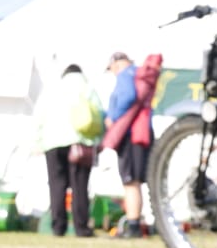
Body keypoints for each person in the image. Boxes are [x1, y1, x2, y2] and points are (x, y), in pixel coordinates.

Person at [33, 63, 104, 237]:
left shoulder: (51, 90)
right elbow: (98, 116)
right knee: (80, 186)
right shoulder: (87, 88)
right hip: (80, 142)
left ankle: (58, 227)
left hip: (52, 142)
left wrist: (39, 143)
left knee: (57, 185)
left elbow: (39, 116)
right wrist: (98, 141)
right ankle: (81, 228)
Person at [102, 50, 162, 234]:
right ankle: (140, 223)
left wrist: (113, 117)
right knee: (137, 181)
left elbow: (127, 96)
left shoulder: (125, 75)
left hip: (129, 134)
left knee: (130, 182)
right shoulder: (138, 74)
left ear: (116, 63)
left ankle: (134, 226)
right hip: (142, 132)